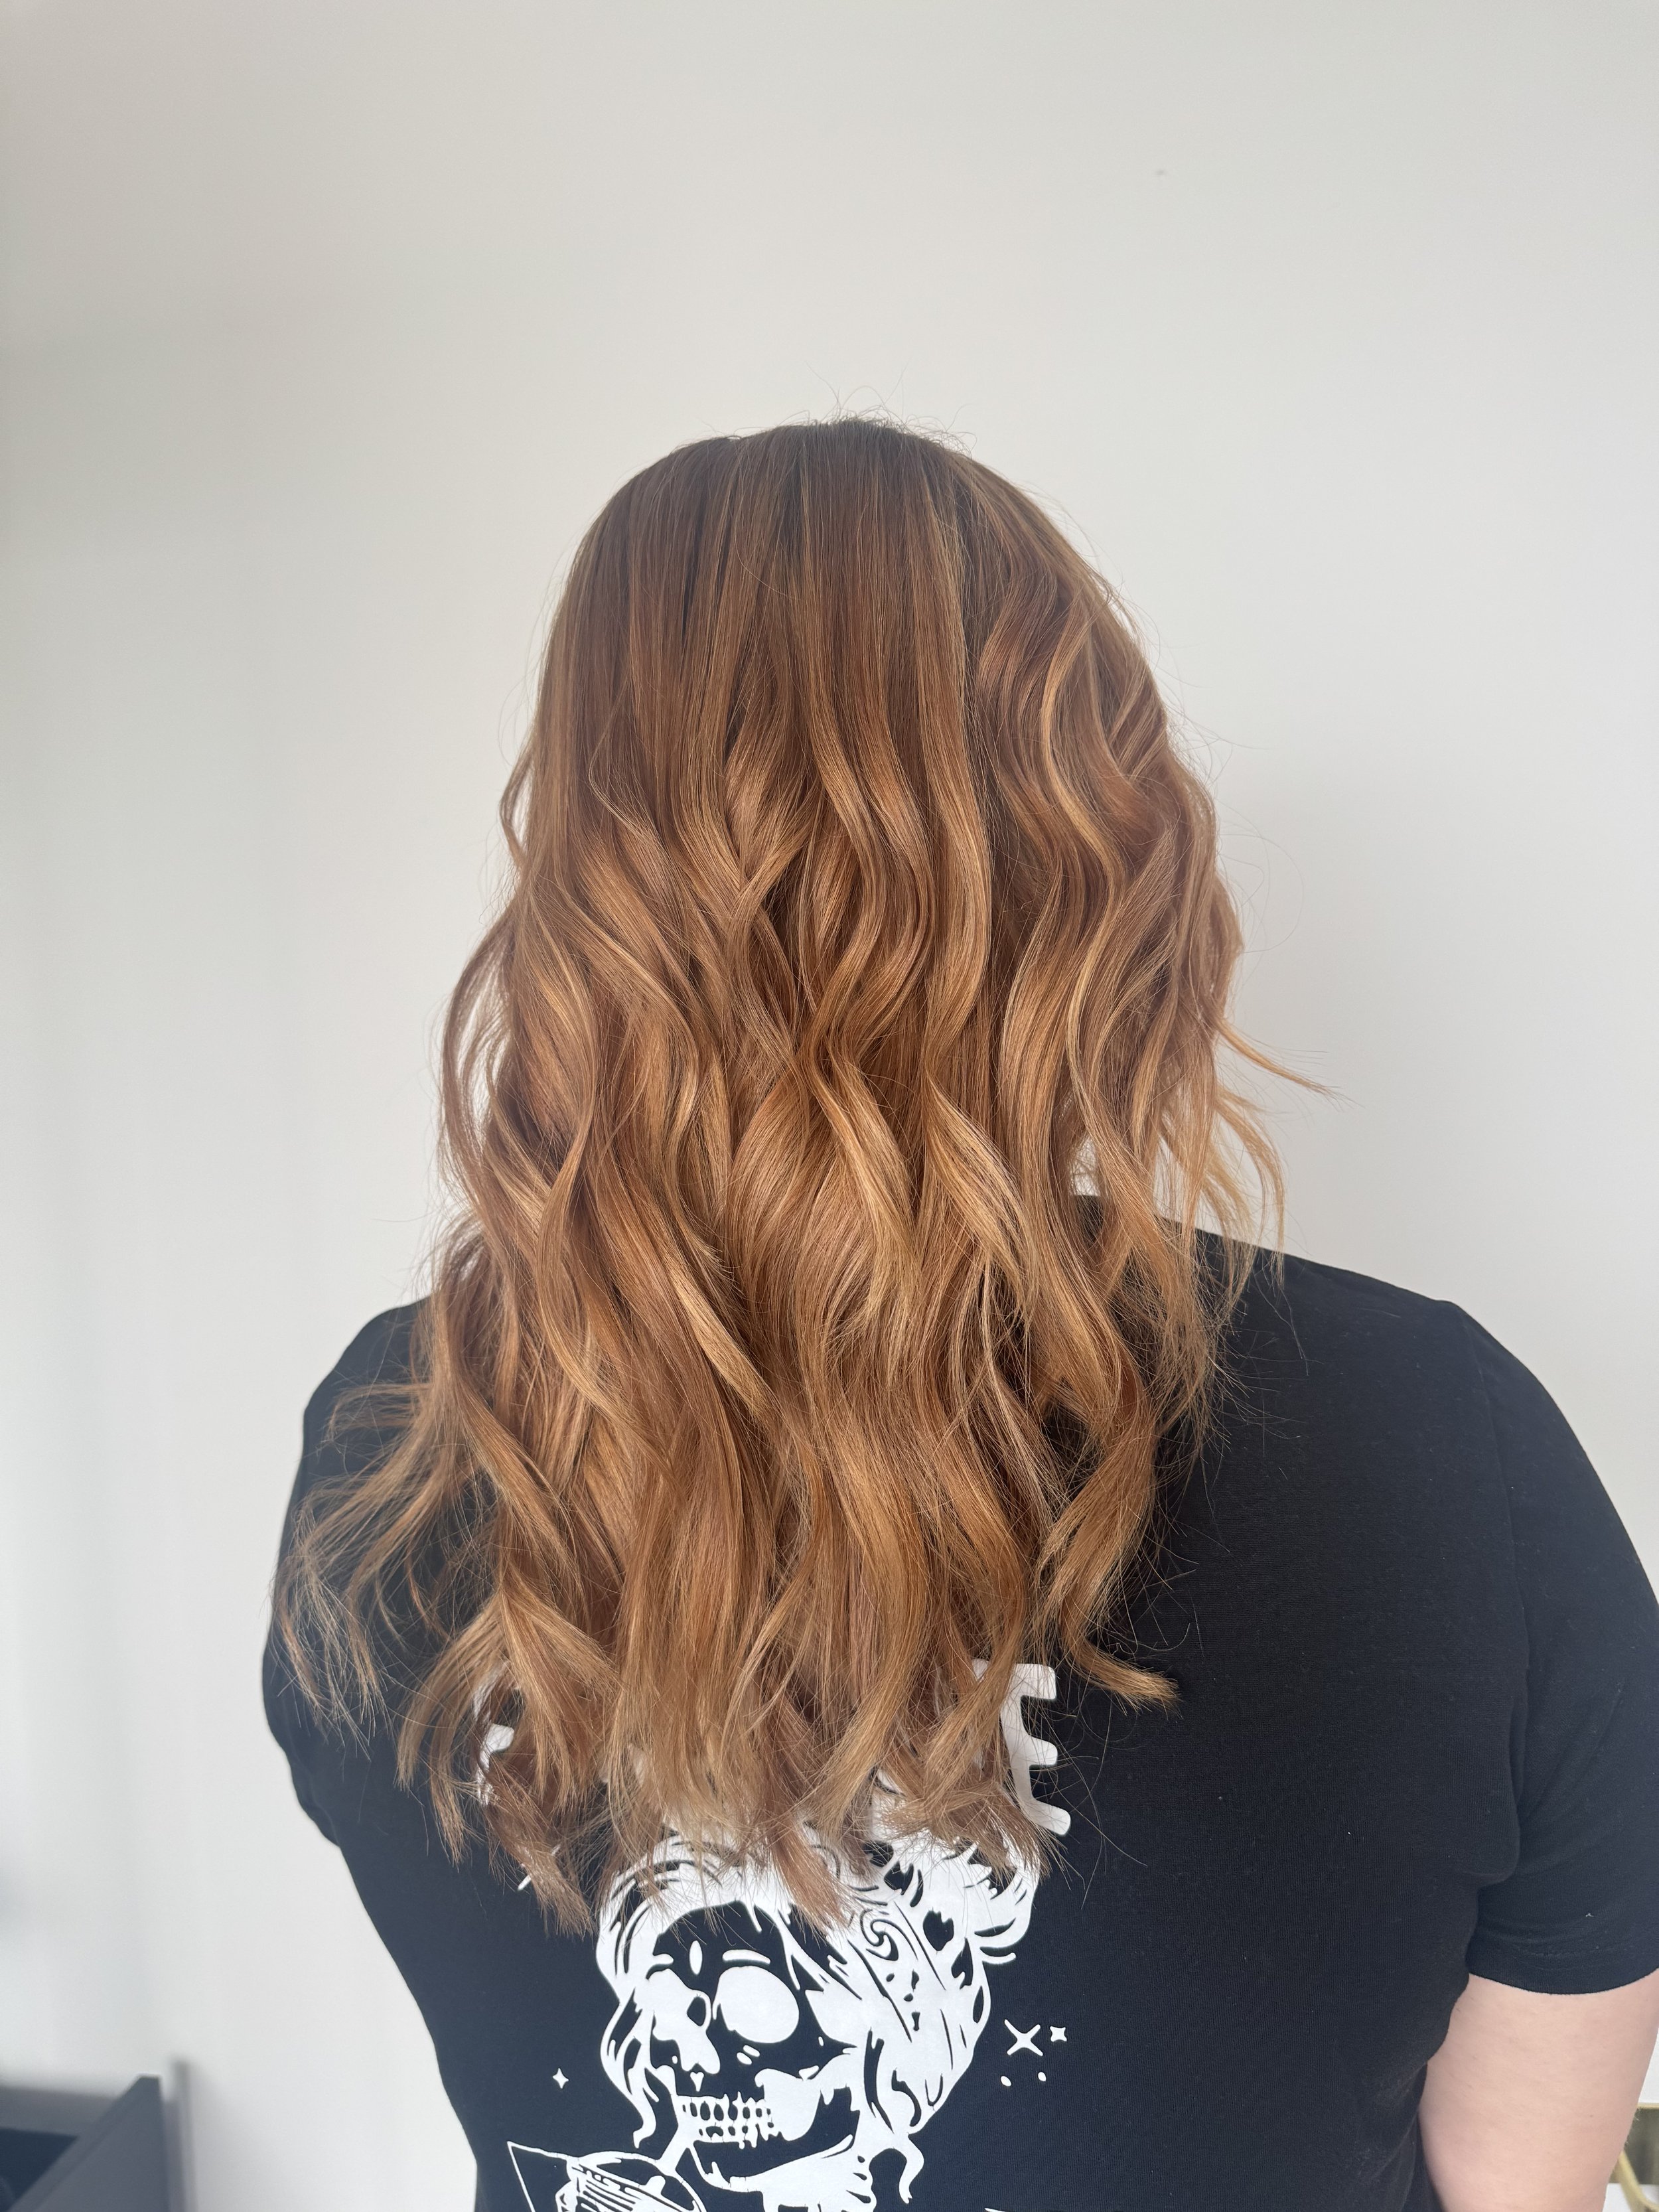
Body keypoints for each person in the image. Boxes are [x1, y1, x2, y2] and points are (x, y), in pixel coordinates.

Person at [265, 419, 1659, 2212]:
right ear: (1110, 870)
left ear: (585, 879)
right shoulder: (1441, 1460)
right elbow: (1515, 2186)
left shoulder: (388, 1447)